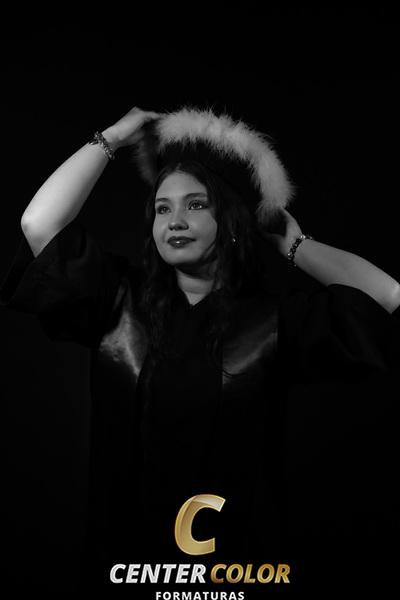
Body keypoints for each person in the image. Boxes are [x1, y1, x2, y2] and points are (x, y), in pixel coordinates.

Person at [1, 106, 399, 593]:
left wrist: (294, 245)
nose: (175, 221)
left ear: (228, 221)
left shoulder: (273, 320)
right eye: (162, 209)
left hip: (240, 573)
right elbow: (38, 224)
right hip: (128, 570)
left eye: (195, 205)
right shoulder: (116, 298)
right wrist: (114, 138)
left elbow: (386, 296)